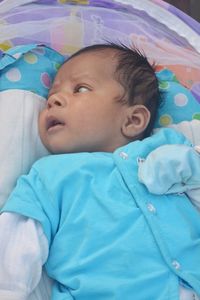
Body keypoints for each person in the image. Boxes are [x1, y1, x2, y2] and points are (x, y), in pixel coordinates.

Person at [0, 43, 200, 300]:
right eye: (53, 93)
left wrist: (189, 164)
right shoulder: (48, 176)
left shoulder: (167, 148)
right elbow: (14, 248)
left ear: (132, 120)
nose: (53, 100)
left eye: (80, 88)